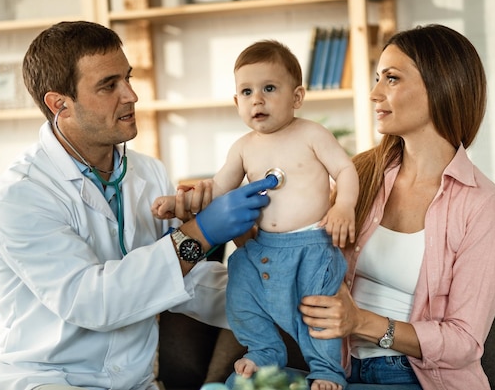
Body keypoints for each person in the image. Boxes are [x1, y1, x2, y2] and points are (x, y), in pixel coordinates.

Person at [0, 21, 277, 390]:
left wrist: (276, 296)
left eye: (127, 78)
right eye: (109, 85)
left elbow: (182, 280)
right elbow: (94, 302)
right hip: (38, 379)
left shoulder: (147, 173)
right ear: (60, 104)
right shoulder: (22, 195)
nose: (130, 95)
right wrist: (200, 234)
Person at [298, 24, 495, 390]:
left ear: (441, 86)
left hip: (419, 378)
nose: (374, 93)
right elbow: (299, 255)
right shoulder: (361, 174)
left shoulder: (483, 206)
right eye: (377, 77)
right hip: (339, 372)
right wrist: (235, 228)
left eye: (392, 79)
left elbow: (464, 342)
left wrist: (360, 322)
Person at [151, 40, 359, 390]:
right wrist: (180, 205)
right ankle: (264, 349)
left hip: (311, 244)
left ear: (296, 97)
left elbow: (347, 170)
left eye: (269, 88)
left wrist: (343, 206)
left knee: (317, 308)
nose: (257, 99)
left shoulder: (311, 134)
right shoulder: (243, 147)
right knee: (240, 286)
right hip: (263, 248)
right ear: (237, 102)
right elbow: (218, 189)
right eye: (247, 92)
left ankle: (326, 370)